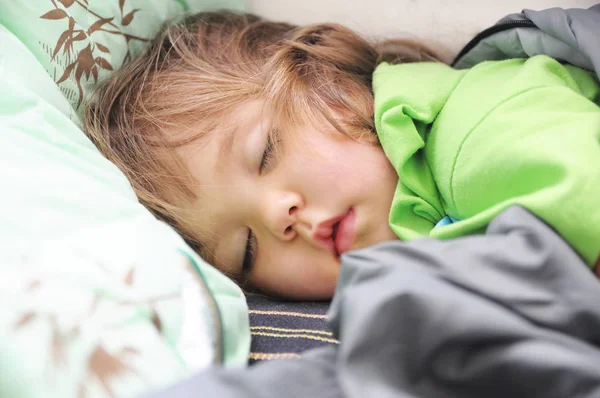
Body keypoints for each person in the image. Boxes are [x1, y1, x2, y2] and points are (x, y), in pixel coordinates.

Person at [84, 11, 600, 300]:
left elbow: (582, 211)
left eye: (263, 154)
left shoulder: (476, 122)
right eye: (245, 251)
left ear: (327, 80)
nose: (276, 217)